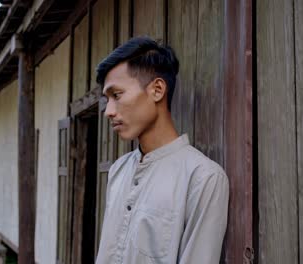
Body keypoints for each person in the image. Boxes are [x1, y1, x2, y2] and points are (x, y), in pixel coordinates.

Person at [95, 37, 229, 264]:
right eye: (107, 100)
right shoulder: (118, 170)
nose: (108, 111)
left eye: (116, 95)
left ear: (157, 90)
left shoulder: (203, 178)